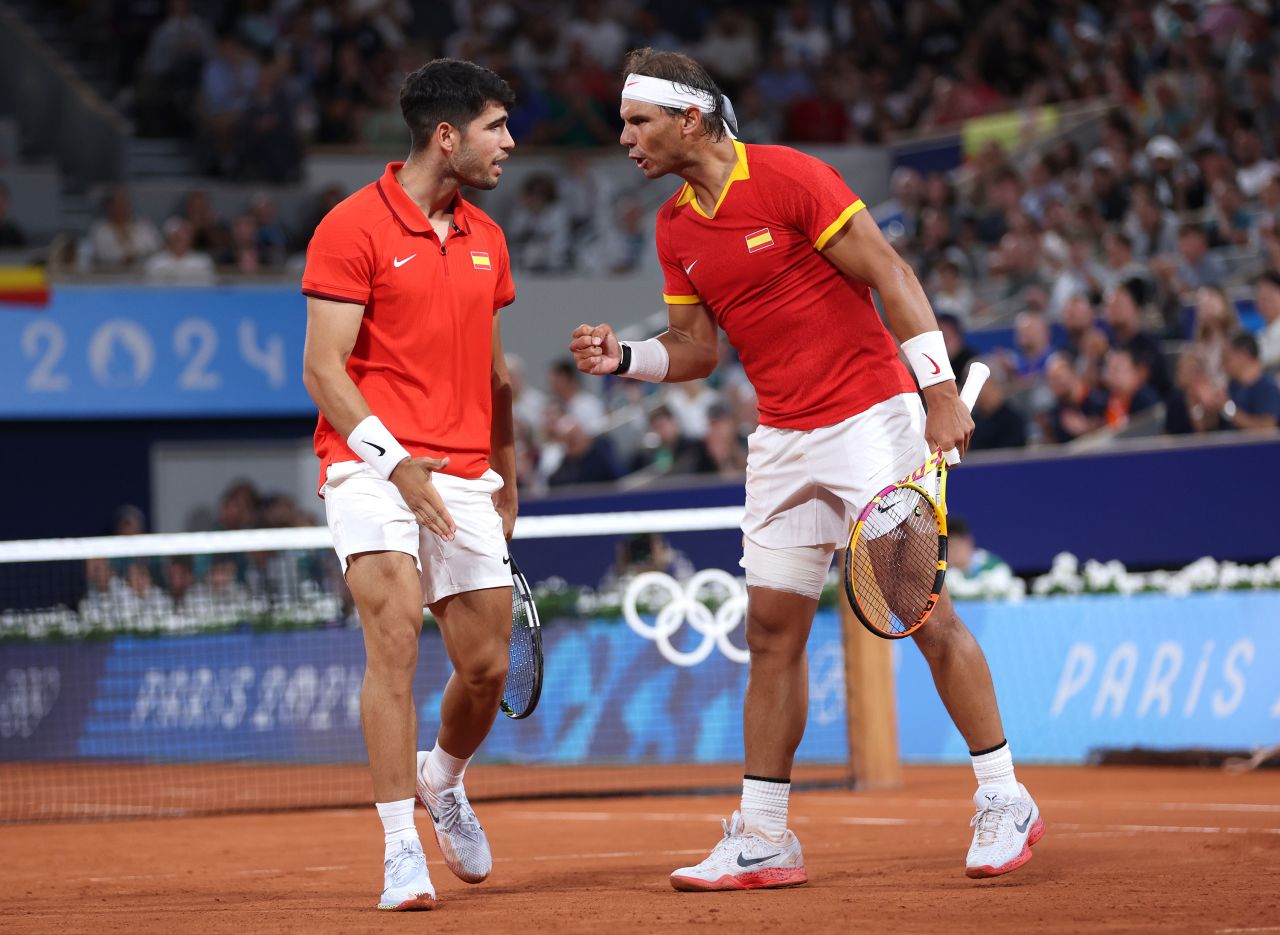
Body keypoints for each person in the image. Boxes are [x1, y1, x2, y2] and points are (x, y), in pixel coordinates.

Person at [570, 49, 1042, 892]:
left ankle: (1005, 796)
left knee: (921, 611)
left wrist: (937, 392)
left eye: (638, 121)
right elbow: (696, 350)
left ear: (690, 119)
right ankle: (764, 835)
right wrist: (626, 360)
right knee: (770, 636)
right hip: (781, 440)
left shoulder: (790, 177)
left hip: (870, 420)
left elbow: (889, 271)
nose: (625, 138)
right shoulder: (674, 227)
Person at [300, 58, 518, 912]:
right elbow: (323, 368)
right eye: (497, 127)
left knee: (487, 668)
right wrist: (397, 463)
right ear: (446, 135)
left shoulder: (489, 239)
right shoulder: (349, 227)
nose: (510, 144)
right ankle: (399, 849)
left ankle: (444, 780)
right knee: (392, 644)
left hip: (466, 473)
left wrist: (506, 475)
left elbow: (497, 377)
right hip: (367, 464)